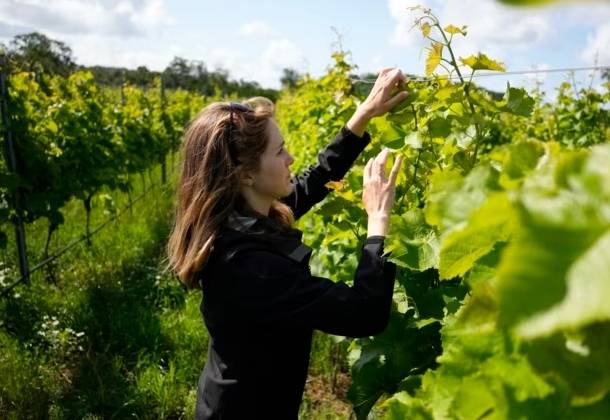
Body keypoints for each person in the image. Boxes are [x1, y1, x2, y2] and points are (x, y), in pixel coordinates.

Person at [165, 67, 408, 419]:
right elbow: (365, 313)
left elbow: (313, 181)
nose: (291, 159)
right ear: (245, 173)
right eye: (280, 152)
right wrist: (378, 221)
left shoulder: (240, 215)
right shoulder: (250, 268)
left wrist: (363, 114)